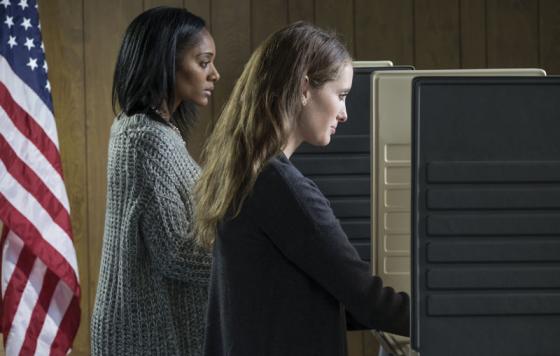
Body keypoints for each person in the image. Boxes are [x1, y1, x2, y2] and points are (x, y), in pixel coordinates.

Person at [195, 22, 409, 356]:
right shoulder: (280, 188)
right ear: (304, 87)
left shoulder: (250, 174)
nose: (345, 113)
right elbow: (365, 298)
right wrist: (444, 314)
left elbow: (310, 297)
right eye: (340, 96)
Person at [91, 6, 220, 355]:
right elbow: (175, 251)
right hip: (142, 336)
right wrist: (247, 257)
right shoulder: (142, 137)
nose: (215, 74)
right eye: (203, 62)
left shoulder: (157, 131)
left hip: (157, 330)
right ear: (165, 61)